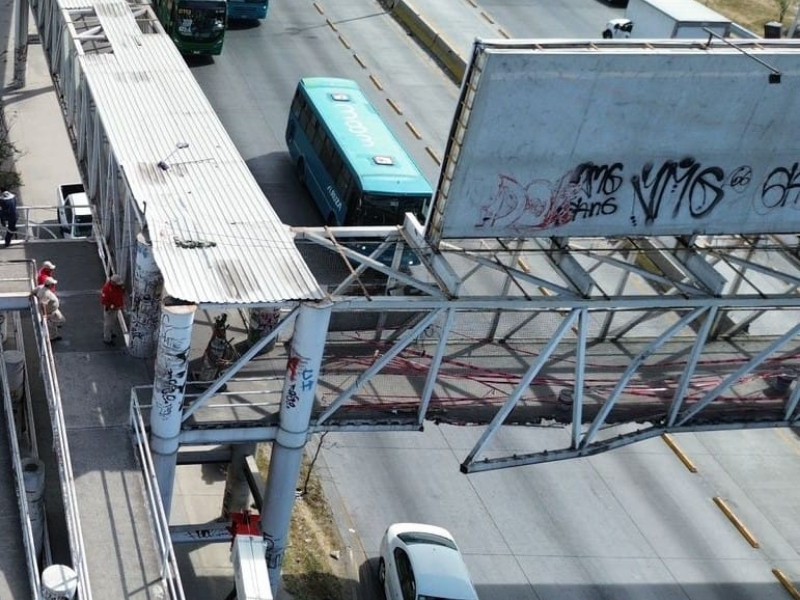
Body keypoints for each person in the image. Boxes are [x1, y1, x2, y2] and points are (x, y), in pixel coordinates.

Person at [101, 273, 125, 346]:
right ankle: (107, 339)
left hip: (115, 307)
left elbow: (120, 294)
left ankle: (110, 333)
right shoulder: (107, 289)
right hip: (110, 309)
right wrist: (113, 306)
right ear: (113, 282)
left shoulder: (117, 287)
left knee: (112, 321)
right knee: (108, 324)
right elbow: (104, 301)